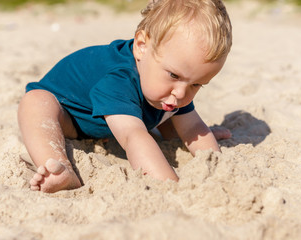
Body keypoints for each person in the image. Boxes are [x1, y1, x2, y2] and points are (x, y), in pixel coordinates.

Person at [18, 0, 233, 193]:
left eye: (197, 84)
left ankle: (174, 134)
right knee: (35, 102)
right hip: (69, 116)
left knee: (175, 119)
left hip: (115, 119)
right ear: (142, 47)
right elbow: (133, 137)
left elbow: (193, 126)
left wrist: (212, 154)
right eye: (174, 75)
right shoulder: (119, 78)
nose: (181, 92)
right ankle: (59, 169)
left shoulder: (171, 84)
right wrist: (168, 186)